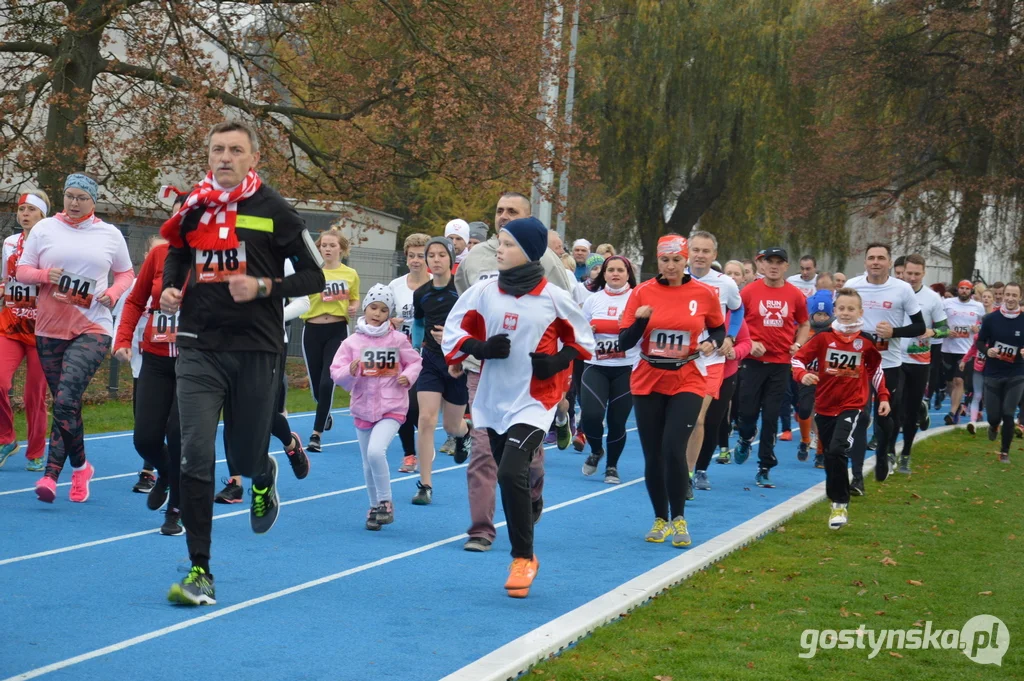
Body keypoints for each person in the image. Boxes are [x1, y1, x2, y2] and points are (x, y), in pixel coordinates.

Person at [159, 120, 325, 605]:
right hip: (198, 343)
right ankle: (200, 569)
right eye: (217, 150)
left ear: (253, 159)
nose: (225, 157)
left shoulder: (275, 210)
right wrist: (171, 288)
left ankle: (263, 472)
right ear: (208, 157)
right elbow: (177, 253)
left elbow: (315, 276)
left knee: (244, 456)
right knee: (194, 452)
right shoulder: (193, 206)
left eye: (235, 150)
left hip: (256, 346)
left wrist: (265, 286)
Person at [443, 216, 595, 597]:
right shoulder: (484, 293)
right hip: (492, 400)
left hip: (534, 400)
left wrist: (558, 362)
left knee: (511, 472)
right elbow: (452, 330)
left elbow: (585, 343)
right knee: (509, 475)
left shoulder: (554, 298)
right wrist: (479, 348)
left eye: (508, 244)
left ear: (528, 252)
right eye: (500, 243)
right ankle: (533, 499)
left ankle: (523, 558)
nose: (500, 250)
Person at [454, 192, 576, 552]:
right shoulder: (475, 259)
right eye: (499, 211)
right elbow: (464, 302)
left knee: (525, 456)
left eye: (513, 212)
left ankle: (531, 495)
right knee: (482, 448)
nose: (504, 216)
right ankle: (481, 528)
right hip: (485, 369)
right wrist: (469, 347)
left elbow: (563, 308)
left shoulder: (547, 259)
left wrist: (555, 367)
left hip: (529, 377)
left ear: (528, 219)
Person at [17, 174, 135, 503]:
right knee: (67, 405)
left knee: (66, 398)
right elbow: (23, 270)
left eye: (81, 197)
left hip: (92, 325)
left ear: (93, 201)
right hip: (50, 327)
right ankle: (81, 467)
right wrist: (45, 275)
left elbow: (127, 272)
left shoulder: (109, 234)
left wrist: (113, 292)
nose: (73, 202)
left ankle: (51, 476)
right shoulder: (44, 229)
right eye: (69, 195)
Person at [619, 234, 723, 546]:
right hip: (648, 378)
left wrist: (712, 342)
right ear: (657, 261)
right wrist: (640, 322)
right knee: (653, 454)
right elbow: (624, 341)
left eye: (677, 259)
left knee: (673, 448)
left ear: (686, 258)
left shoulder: (703, 293)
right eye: (665, 260)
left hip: (687, 377)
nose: (671, 266)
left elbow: (718, 327)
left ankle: (679, 519)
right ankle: (660, 518)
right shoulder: (642, 292)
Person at [792, 288, 890, 530]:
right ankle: (836, 497)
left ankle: (839, 503)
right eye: (842, 309)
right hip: (824, 405)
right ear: (835, 311)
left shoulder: (866, 341)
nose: (846, 313)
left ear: (860, 312)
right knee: (830, 455)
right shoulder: (823, 338)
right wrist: (802, 374)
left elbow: (876, 370)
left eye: (851, 309)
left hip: (852, 404)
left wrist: (884, 397)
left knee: (837, 449)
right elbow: (797, 359)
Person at [114, 233, 191, 534]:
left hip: (194, 363)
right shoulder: (158, 256)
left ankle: (176, 511)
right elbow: (134, 301)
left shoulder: (214, 261)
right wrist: (122, 340)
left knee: (178, 433)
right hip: (156, 359)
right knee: (144, 439)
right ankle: (167, 473)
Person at [331, 284, 422, 529]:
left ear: (389, 313)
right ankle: (373, 507)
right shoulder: (351, 342)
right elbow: (336, 372)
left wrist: (408, 377)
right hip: (363, 408)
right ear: (365, 307)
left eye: (383, 310)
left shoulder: (398, 339)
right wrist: (349, 370)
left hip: (392, 406)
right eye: (374, 307)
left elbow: (415, 362)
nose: (378, 313)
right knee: (366, 462)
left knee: (375, 452)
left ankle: (386, 502)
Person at [846, 244, 925, 487]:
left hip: (888, 364)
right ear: (865, 262)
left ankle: (883, 453)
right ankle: (857, 477)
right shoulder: (853, 285)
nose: (876, 262)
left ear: (890, 263)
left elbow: (919, 327)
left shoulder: (902, 289)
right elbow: (838, 318)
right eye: (871, 258)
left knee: (884, 418)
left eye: (881, 258)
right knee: (860, 417)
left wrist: (894, 331)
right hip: (857, 364)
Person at [734, 247, 810, 488]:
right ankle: (746, 437)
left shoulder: (795, 294)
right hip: (752, 363)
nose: (774, 266)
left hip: (779, 365)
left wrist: (798, 344)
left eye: (780, 262)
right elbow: (735, 321)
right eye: (770, 261)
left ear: (787, 266)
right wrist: (749, 342)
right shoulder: (749, 291)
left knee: (770, 417)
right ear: (762, 265)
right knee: (746, 413)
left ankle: (765, 466)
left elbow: (805, 323)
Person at [411, 236, 472, 505]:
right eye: (431, 255)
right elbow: (419, 325)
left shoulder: (463, 291)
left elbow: (474, 326)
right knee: (426, 420)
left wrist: (451, 337)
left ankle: (465, 433)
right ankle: (425, 484)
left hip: (457, 363)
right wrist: (414, 351)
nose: (435, 260)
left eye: (441, 255)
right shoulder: (420, 293)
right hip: (431, 361)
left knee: (451, 425)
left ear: (451, 259)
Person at [683, 230, 743, 495]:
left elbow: (738, 308)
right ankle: (673, 464)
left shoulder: (725, 283)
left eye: (706, 251)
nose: (700, 255)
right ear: (688, 252)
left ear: (714, 255)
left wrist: (729, 336)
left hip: (711, 360)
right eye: (696, 250)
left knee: (697, 419)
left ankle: (688, 473)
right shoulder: (674, 279)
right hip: (679, 359)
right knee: (676, 419)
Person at [0, 191, 50, 472]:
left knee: (34, 395)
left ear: (42, 215)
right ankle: (6, 438)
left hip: (41, 330)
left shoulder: (52, 246)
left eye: (31, 209)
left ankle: (35, 451)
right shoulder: (9, 243)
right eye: (21, 209)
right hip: (10, 324)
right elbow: (6, 279)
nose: (25, 214)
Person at [579, 256, 639, 483]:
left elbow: (647, 331)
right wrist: (588, 330)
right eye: (610, 270)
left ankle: (612, 466)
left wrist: (631, 325)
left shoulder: (636, 298)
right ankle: (596, 450)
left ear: (628, 273)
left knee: (617, 421)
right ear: (603, 274)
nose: (615, 274)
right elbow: (579, 331)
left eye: (620, 270)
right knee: (591, 415)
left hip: (627, 368)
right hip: (596, 365)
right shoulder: (593, 301)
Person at [301, 228, 360, 452]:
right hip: (312, 330)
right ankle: (324, 413)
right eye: (323, 245)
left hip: (336, 330)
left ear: (341, 249)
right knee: (317, 387)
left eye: (332, 245)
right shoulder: (311, 271)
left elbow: (354, 299)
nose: (327, 249)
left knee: (328, 382)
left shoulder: (350, 274)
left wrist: (353, 307)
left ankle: (316, 435)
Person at [896, 254, 948, 473]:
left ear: (924, 273)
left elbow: (945, 328)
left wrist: (932, 331)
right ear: (902, 271)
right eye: (909, 273)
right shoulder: (893, 292)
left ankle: (906, 453)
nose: (913, 278)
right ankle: (888, 450)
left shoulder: (933, 298)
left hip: (919, 361)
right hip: (894, 359)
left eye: (917, 274)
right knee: (893, 406)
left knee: (909, 412)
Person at [389, 233, 432, 473]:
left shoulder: (436, 284)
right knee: (402, 405)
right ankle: (409, 455)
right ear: (406, 258)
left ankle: (426, 442)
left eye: (420, 256)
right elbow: (381, 313)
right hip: (401, 355)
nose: (416, 260)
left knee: (417, 408)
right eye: (412, 256)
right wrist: (390, 321)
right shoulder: (395, 286)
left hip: (428, 354)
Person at [976, 282, 1024, 463]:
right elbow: (980, 342)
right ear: (1003, 296)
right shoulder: (990, 319)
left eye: (1014, 295)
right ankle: (994, 426)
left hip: (1017, 373)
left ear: (1019, 297)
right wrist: (987, 351)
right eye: (1008, 295)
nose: (1011, 298)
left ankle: (1005, 452)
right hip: (993, 373)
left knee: (1008, 413)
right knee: (994, 416)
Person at [941, 280, 985, 425]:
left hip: (965, 350)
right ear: (958, 290)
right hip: (947, 348)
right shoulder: (947, 303)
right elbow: (938, 321)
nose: (964, 291)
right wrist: (946, 331)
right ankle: (957, 404)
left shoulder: (978, 306)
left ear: (971, 291)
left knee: (958, 380)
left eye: (967, 289)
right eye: (962, 288)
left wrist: (978, 329)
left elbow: (984, 325)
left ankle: (952, 413)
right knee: (949, 383)